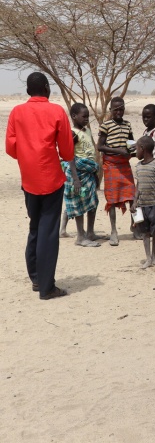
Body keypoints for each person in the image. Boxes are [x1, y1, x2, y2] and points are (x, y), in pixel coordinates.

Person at [5, 72, 74, 299]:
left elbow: (10, 147)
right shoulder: (56, 112)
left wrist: (28, 155)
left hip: (28, 179)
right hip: (51, 178)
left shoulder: (17, 112)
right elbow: (66, 151)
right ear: (46, 88)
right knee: (48, 232)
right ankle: (47, 287)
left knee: (35, 227)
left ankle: (35, 278)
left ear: (28, 91)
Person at [97, 97, 136, 246]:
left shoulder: (127, 125)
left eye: (121, 109)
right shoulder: (106, 125)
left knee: (132, 194)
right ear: (111, 110)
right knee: (112, 199)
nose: (119, 112)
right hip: (111, 164)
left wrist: (132, 149)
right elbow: (100, 146)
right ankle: (113, 231)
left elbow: (130, 142)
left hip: (124, 164)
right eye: (116, 109)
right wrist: (117, 150)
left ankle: (136, 226)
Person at [63, 103, 100, 247]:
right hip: (77, 173)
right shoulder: (72, 133)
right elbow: (70, 156)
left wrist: (95, 174)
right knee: (80, 204)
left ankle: (90, 233)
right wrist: (76, 179)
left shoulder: (87, 131)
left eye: (88, 116)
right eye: (84, 116)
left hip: (89, 172)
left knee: (92, 203)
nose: (86, 119)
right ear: (74, 116)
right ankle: (80, 236)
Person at [131, 136, 155, 269]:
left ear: (142, 149)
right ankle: (148, 258)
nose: (135, 152)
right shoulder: (138, 166)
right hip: (142, 204)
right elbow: (138, 185)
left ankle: (154, 256)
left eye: (136, 148)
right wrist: (135, 202)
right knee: (145, 232)